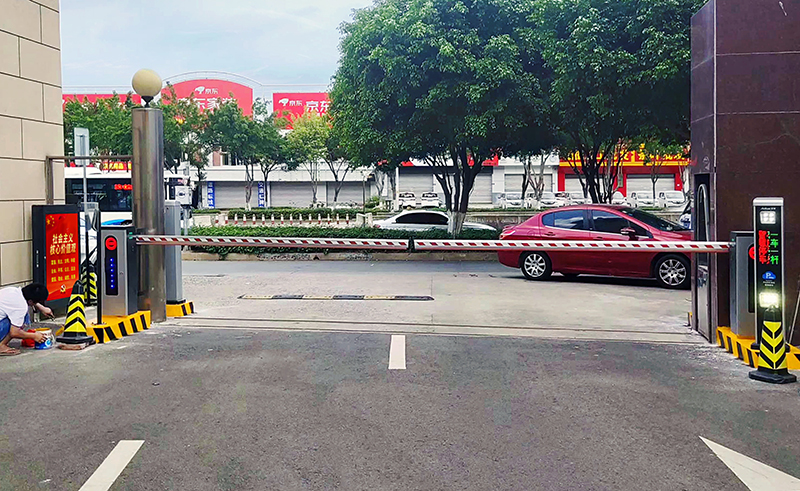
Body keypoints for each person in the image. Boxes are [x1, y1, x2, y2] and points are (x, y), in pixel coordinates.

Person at [0, 283, 54, 356]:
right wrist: (35, 336)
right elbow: (14, 332)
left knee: (18, 318)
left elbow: (29, 300)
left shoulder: (13, 290)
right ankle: (1, 346)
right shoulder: (21, 307)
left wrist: (42, 308)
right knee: (19, 321)